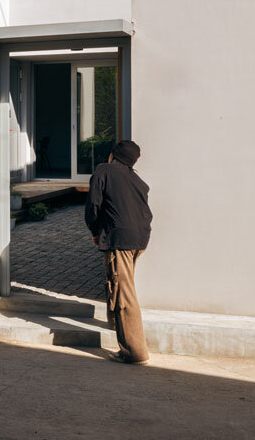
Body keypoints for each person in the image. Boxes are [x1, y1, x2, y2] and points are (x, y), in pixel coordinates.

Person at [85, 140, 152, 365]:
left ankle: (135, 352)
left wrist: (95, 231)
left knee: (124, 293)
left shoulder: (104, 170)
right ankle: (117, 328)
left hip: (119, 238)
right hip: (140, 238)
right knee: (116, 283)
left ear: (113, 155)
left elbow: (93, 206)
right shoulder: (137, 180)